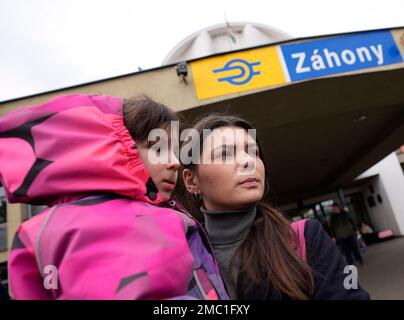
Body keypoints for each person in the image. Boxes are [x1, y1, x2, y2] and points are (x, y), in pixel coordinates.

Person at [0, 94, 228, 300]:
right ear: (118, 146)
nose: (174, 162)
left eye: (174, 151)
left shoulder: (43, 229)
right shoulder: (120, 222)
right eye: (157, 149)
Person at [182, 113, 370, 300]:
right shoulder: (182, 258)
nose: (248, 162)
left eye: (254, 152)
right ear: (191, 180)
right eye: (225, 154)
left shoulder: (304, 238)